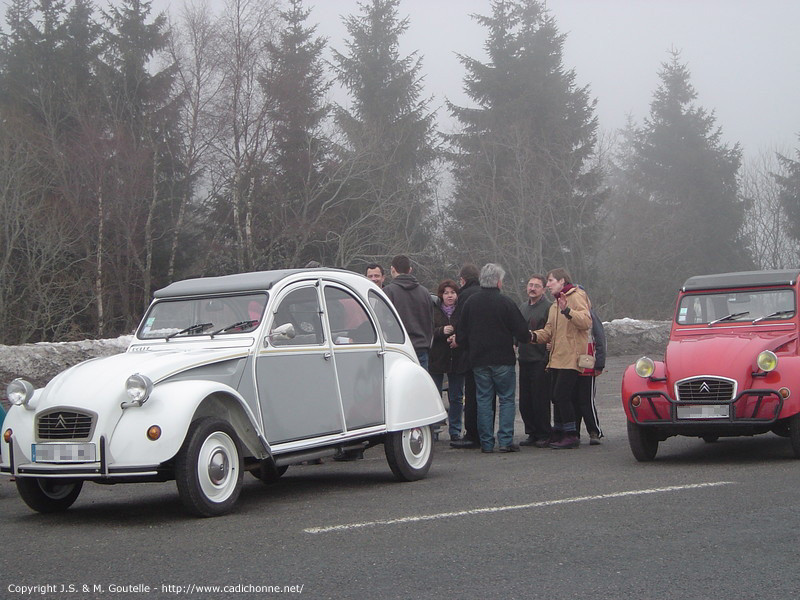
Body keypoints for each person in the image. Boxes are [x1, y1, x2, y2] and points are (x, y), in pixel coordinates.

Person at [458, 263, 531, 453]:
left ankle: (486, 443)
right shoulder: (506, 302)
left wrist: (471, 348)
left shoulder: (470, 303)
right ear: (498, 282)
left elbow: (460, 336)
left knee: (483, 400)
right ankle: (505, 441)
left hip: (479, 360)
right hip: (503, 359)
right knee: (506, 399)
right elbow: (523, 332)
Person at [531, 268, 592, 449]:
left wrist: (568, 311)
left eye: (550, 281)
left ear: (562, 281)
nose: (548, 285)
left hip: (571, 356)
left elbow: (586, 322)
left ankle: (571, 434)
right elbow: (549, 332)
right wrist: (532, 336)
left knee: (562, 395)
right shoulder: (554, 305)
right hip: (557, 358)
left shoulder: (576, 296)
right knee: (555, 397)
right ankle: (558, 433)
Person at [449, 264, 487, 449]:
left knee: (471, 395)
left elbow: (463, 322)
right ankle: (485, 432)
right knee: (486, 395)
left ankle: (472, 434)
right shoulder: (485, 292)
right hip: (487, 351)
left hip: (470, 353)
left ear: (462, 279)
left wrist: (459, 339)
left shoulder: (465, 296)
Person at [429, 279, 469, 441]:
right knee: (435, 395)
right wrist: (441, 331)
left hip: (457, 358)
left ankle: (455, 430)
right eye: (446, 293)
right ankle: (435, 429)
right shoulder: (433, 310)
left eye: (452, 292)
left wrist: (457, 336)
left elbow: (467, 328)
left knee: (456, 397)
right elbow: (427, 330)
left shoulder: (461, 310)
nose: (449, 296)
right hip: (437, 358)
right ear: (441, 295)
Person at [517, 275, 552, 447]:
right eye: (530, 285)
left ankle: (544, 433)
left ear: (544, 289)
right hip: (524, 359)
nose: (532, 288)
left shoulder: (548, 308)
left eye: (537, 286)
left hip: (540, 359)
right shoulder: (523, 307)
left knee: (540, 399)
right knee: (525, 400)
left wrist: (546, 357)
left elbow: (551, 332)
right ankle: (531, 432)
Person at [383, 255, 434, 370]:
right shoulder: (425, 293)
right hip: (421, 348)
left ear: (392, 269)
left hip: (398, 350)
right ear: (410, 270)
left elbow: (382, 322)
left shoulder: (388, 292)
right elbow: (430, 323)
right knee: (420, 385)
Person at [574, 307, 606, 444]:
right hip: (570, 365)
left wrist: (599, 364)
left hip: (587, 364)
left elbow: (600, 340)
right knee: (571, 401)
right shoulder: (566, 313)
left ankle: (594, 432)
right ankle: (573, 432)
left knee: (586, 401)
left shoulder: (591, 315)